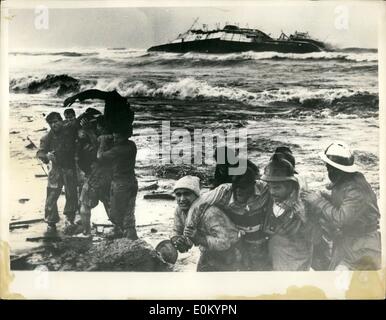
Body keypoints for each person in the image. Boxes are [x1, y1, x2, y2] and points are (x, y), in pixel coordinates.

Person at [302, 142, 381, 270]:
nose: (328, 171)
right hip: (348, 241)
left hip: (363, 245)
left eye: (330, 168)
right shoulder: (345, 180)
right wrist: (326, 197)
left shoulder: (356, 189)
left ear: (336, 169)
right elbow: (345, 206)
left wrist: (318, 201)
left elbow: (341, 219)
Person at [184, 162, 271, 271]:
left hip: (257, 240)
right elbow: (197, 205)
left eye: (244, 187)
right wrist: (189, 235)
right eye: (236, 186)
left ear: (253, 184)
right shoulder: (224, 191)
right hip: (231, 238)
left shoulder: (264, 189)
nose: (239, 190)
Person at [261, 154, 313, 271]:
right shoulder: (269, 197)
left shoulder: (304, 203)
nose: (272, 192)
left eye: (277, 188)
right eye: (270, 187)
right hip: (274, 259)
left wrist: (304, 218)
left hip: (295, 266)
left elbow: (316, 238)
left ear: (290, 185)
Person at [36, 112, 78, 233]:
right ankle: (51, 221)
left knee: (71, 194)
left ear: (61, 121)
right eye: (51, 123)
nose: (54, 125)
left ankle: (70, 219)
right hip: (55, 169)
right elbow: (40, 153)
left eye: (56, 121)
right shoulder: (47, 137)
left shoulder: (69, 130)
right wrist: (47, 156)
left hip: (70, 167)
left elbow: (77, 123)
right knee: (52, 194)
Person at [97, 121, 138, 240]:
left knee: (116, 213)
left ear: (124, 136)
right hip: (131, 180)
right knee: (129, 210)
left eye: (117, 137)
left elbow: (100, 157)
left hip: (121, 183)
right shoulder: (131, 145)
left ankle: (121, 233)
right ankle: (130, 234)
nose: (115, 138)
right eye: (114, 136)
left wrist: (103, 142)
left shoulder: (118, 150)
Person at [75, 115, 113, 236]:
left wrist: (88, 130)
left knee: (85, 203)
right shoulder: (114, 137)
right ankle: (118, 228)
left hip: (96, 175)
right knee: (109, 202)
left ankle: (86, 232)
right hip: (109, 175)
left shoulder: (101, 138)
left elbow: (98, 152)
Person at [63, 89, 134, 135]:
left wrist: (75, 97)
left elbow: (95, 93)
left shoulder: (114, 120)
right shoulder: (118, 116)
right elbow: (95, 94)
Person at [171, 176, 201, 252]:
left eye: (186, 194)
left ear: (196, 196)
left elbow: (226, 241)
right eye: (178, 194)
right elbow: (177, 230)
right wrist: (177, 240)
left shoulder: (208, 212)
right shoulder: (179, 210)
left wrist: (199, 238)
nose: (182, 199)